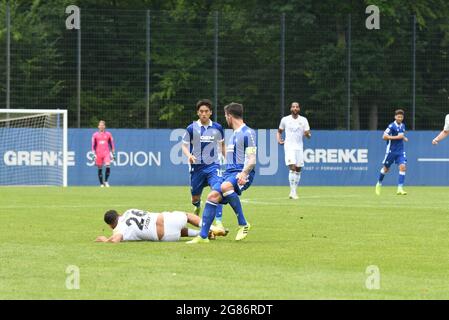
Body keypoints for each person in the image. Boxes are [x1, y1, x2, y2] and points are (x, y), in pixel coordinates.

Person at [187, 102, 256, 244]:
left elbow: (252, 159)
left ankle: (243, 224)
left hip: (241, 174)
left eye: (226, 116)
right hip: (229, 174)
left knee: (225, 187)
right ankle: (203, 236)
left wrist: (243, 173)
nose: (225, 119)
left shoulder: (247, 132)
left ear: (230, 116)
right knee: (212, 196)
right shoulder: (234, 135)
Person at [181, 99, 226, 230]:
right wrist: (189, 155)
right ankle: (197, 206)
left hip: (213, 166)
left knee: (217, 190)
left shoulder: (217, 127)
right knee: (195, 196)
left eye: (206, 111)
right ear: (197, 113)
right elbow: (184, 145)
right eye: (201, 111)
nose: (204, 113)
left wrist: (227, 160)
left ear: (211, 112)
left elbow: (222, 145)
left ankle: (218, 222)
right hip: (197, 167)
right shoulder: (191, 128)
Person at [95, 208, 227, 243]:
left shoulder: (118, 229)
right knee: (187, 216)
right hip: (164, 219)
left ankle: (205, 234)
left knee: (180, 232)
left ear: (110, 225)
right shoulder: (129, 211)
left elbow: (117, 239)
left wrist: (105, 240)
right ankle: (211, 228)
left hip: (164, 237)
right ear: (119, 214)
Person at [277, 102, 311, 199]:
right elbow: (279, 131)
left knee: (298, 169)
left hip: (299, 147)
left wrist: (307, 134)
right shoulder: (285, 119)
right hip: (289, 146)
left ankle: (294, 190)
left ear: (299, 109)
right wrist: (279, 139)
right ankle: (292, 192)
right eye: (293, 107)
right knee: (292, 167)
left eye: (297, 107)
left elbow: (308, 135)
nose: (295, 108)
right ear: (290, 108)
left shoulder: (304, 120)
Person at [376, 109, 408, 196]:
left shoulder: (403, 125)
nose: (400, 118)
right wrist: (397, 137)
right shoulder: (391, 126)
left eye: (401, 117)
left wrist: (403, 138)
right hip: (391, 151)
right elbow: (384, 136)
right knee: (386, 169)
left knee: (403, 167)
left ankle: (400, 188)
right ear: (395, 117)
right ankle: (379, 183)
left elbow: (401, 134)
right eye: (398, 116)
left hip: (400, 151)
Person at [92, 120, 115, 187]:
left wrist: (113, 154)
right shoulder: (95, 135)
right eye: (100, 125)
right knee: (100, 168)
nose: (101, 126)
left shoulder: (108, 134)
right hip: (98, 153)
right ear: (98, 126)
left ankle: (106, 181)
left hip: (106, 153)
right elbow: (93, 145)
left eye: (103, 125)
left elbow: (112, 144)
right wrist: (93, 154)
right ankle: (102, 184)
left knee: (108, 165)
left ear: (104, 126)